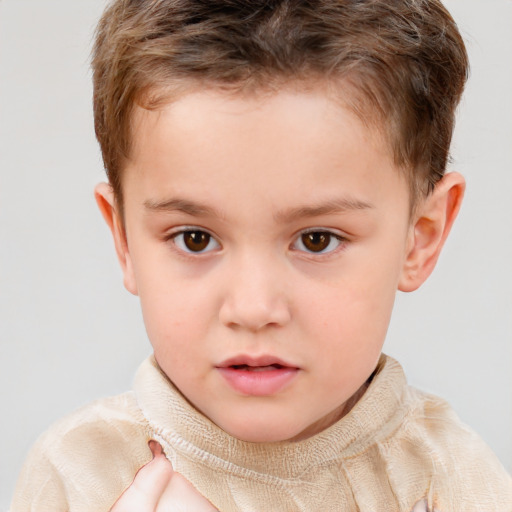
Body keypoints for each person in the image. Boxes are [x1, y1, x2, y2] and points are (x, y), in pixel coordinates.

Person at [10, 0, 512, 510]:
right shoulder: (77, 476)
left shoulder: (451, 483)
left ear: (420, 237)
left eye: (317, 239)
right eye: (195, 238)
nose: (253, 309)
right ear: (124, 239)